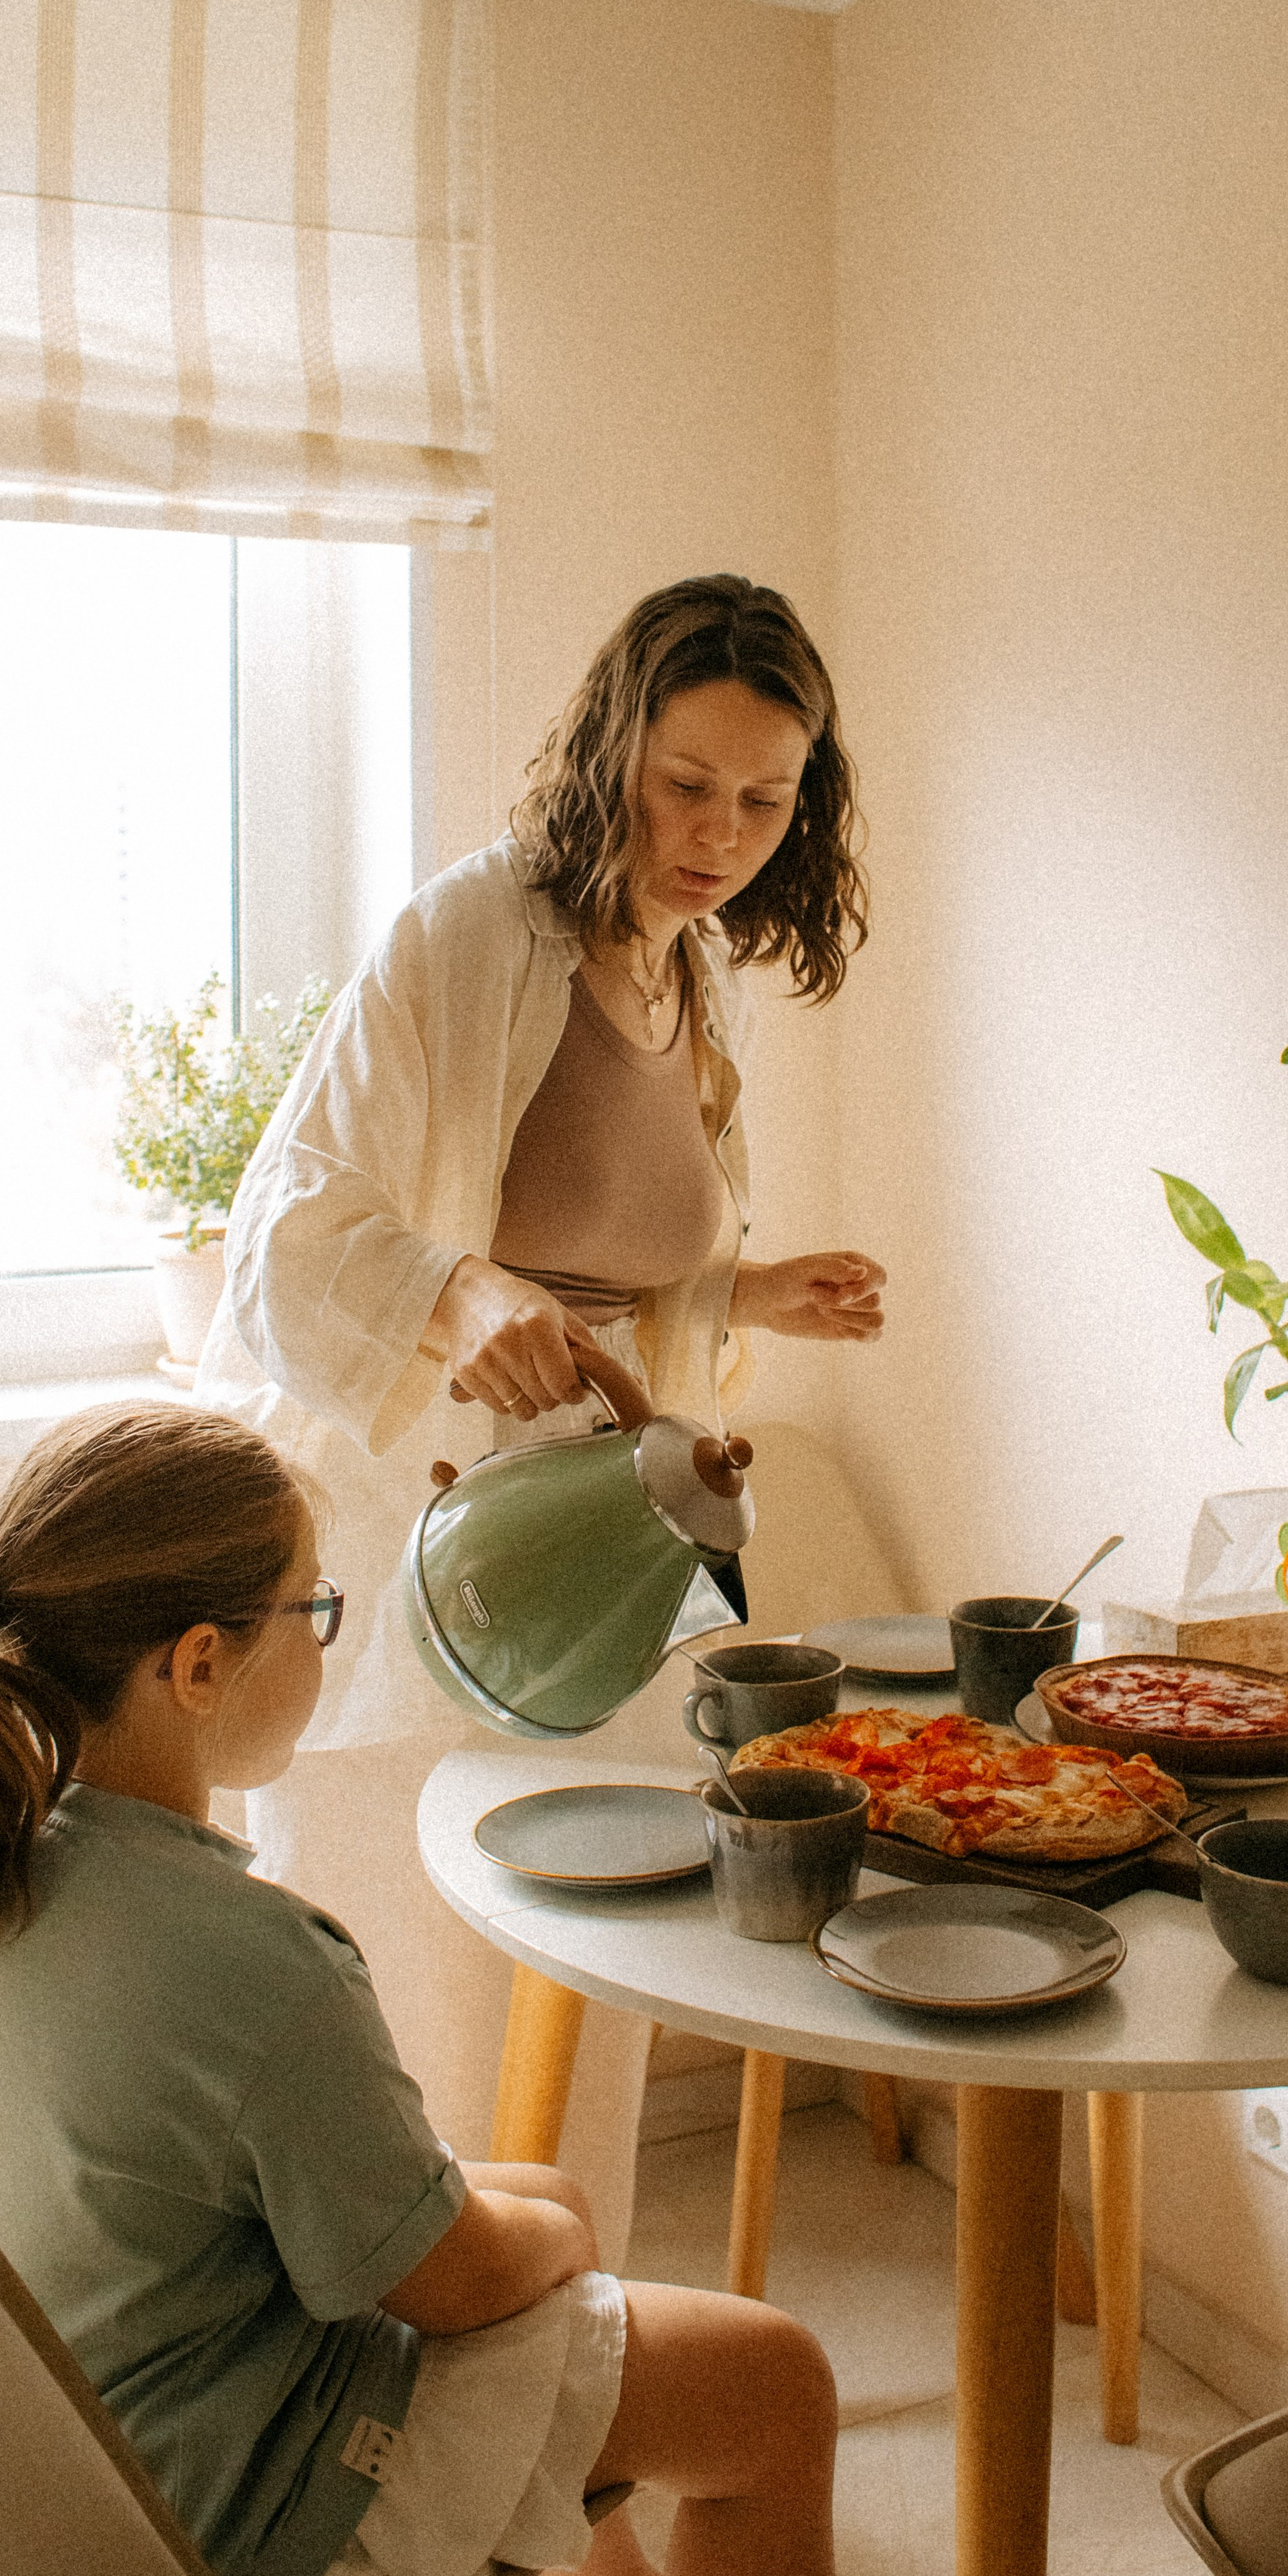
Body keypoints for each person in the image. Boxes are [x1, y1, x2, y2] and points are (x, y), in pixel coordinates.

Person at [0, 1402, 838, 2576]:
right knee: (770, 2381)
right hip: (232, 2508)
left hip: (60, 2461)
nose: (332, 1638)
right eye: (314, 1610)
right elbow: (457, 2286)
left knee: (550, 2200)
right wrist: (555, 2247)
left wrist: (547, 2224)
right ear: (202, 1662)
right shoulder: (255, 1959)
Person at [194, 575, 886, 2224]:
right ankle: (411, 2373)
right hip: (444, 1529)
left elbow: (612, 1273)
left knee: (594, 1957)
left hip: (609, 1530)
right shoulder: (472, 934)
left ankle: (571, 2366)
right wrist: (457, 1292)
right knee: (418, 1987)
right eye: (684, 783)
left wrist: (740, 1292)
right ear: (610, 757)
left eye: (763, 799)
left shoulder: (692, 979)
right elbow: (290, 1217)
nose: (719, 833)